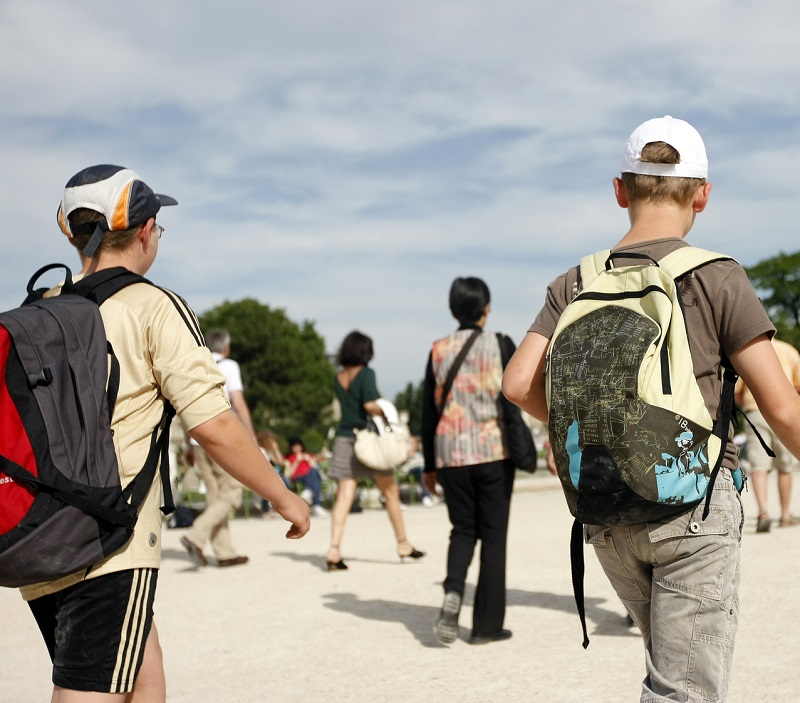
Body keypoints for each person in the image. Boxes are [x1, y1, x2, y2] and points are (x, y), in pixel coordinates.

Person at [502, 116, 800, 701]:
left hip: (607, 507)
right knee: (683, 688)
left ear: (620, 191)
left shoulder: (575, 282)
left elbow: (517, 384)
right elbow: (782, 407)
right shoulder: (718, 276)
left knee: (670, 672)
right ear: (703, 195)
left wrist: (595, 432)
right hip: (692, 503)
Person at [24, 164, 309, 702]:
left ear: (68, 229)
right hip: (109, 538)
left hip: (43, 530)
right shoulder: (154, 307)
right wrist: (282, 495)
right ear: (147, 230)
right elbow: (215, 425)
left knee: (141, 676)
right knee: (90, 690)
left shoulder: (42, 306)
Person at [421, 277, 516, 646]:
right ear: (485, 308)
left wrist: (429, 465)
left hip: (450, 455)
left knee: (462, 530)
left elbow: (427, 411)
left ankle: (453, 592)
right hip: (493, 453)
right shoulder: (500, 344)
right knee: (493, 537)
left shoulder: (438, 350)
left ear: (453, 309)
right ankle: (486, 625)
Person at [325, 330, 425, 570]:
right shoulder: (366, 374)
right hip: (369, 443)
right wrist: (386, 409)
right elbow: (370, 406)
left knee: (344, 496)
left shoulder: (339, 377)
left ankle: (334, 549)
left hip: (344, 439)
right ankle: (403, 544)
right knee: (390, 493)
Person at [181, 329, 257, 567]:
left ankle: (224, 552)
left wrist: (188, 441)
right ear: (226, 347)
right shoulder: (230, 365)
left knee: (215, 496)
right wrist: (251, 437)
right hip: (222, 438)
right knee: (233, 492)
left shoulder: (194, 365)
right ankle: (196, 534)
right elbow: (238, 403)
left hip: (197, 438)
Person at [735, 337, 800, 532]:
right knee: (785, 466)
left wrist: (747, 406)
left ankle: (763, 512)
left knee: (758, 465)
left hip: (755, 411)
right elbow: (798, 386)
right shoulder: (788, 350)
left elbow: (737, 390)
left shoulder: (746, 347)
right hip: (785, 411)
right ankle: (785, 515)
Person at [285, 437, 328, 517]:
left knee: (314, 472)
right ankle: (316, 505)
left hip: (310, 476)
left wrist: (309, 460)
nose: (297, 448)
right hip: (298, 477)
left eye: (299, 446)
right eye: (295, 446)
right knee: (316, 479)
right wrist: (297, 461)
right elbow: (290, 473)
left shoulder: (308, 455)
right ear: (291, 448)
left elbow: (315, 467)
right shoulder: (290, 457)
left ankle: (308, 491)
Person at [256, 429, 291, 517]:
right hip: (260, 475)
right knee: (275, 483)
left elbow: (280, 462)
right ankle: (265, 510)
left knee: (284, 481)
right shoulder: (261, 450)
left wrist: (276, 450)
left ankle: (279, 507)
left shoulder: (268, 451)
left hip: (266, 474)